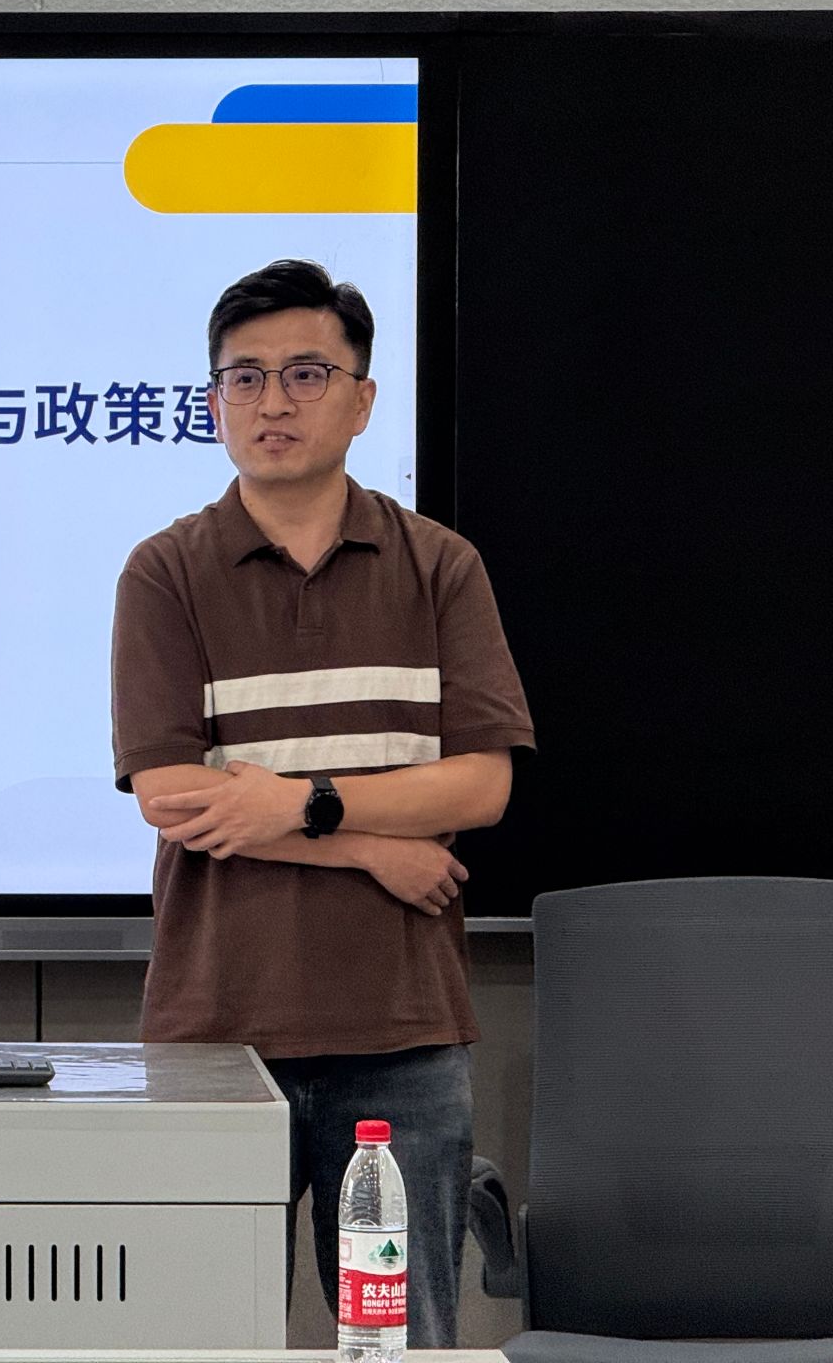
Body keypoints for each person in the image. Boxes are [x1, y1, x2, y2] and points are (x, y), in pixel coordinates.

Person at [109, 259, 534, 1348]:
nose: (272, 402)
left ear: (361, 399)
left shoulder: (438, 567)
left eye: (305, 373)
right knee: (202, 1337)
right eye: (242, 378)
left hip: (400, 1031)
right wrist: (368, 847)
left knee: (396, 1340)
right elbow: (172, 794)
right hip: (214, 1033)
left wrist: (297, 806)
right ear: (213, 403)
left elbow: (481, 785)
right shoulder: (165, 572)